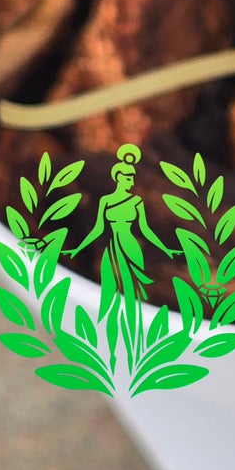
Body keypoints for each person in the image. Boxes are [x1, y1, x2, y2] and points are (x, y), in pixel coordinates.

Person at [69, 143, 178, 369]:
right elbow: (99, 227)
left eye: (130, 177)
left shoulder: (136, 200)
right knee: (110, 303)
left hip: (134, 248)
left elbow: (146, 230)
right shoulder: (107, 201)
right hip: (112, 250)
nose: (128, 181)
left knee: (141, 296)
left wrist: (165, 250)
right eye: (125, 177)